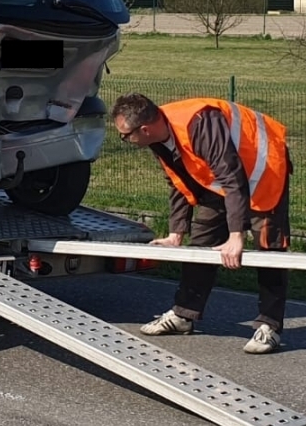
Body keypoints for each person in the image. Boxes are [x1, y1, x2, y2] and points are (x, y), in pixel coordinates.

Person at [111, 92, 293, 354]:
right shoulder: (159, 136)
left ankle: (269, 326)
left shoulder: (200, 123)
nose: (124, 140)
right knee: (200, 244)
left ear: (144, 129)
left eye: (125, 135)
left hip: (264, 170)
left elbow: (232, 177)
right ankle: (184, 314)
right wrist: (176, 232)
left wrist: (235, 236)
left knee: (269, 249)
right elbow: (177, 181)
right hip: (222, 180)